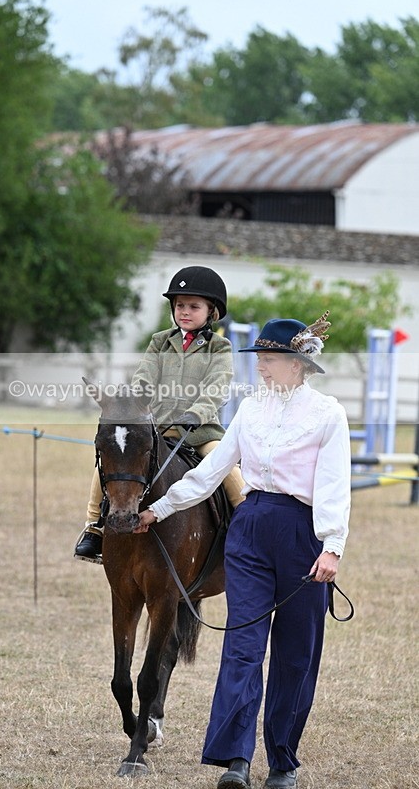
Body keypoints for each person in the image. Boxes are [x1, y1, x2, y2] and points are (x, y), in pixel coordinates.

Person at [135, 312, 351, 789]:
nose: (261, 366)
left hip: (302, 533)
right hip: (250, 529)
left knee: (296, 654)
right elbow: (211, 473)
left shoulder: (328, 414)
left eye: (270, 358)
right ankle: (236, 760)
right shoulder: (251, 409)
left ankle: (282, 762)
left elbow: (335, 483)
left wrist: (332, 546)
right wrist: (162, 508)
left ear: (298, 364)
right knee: (242, 646)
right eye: (260, 358)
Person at [74, 265, 245, 563]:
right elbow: (144, 378)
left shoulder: (219, 347)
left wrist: (196, 413)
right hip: (158, 430)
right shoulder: (160, 341)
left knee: (229, 471)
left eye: (194, 306)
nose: (185, 312)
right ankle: (94, 529)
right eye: (180, 306)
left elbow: (217, 388)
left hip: (200, 431)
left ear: (212, 311)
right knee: (109, 462)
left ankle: (246, 530)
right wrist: (131, 402)